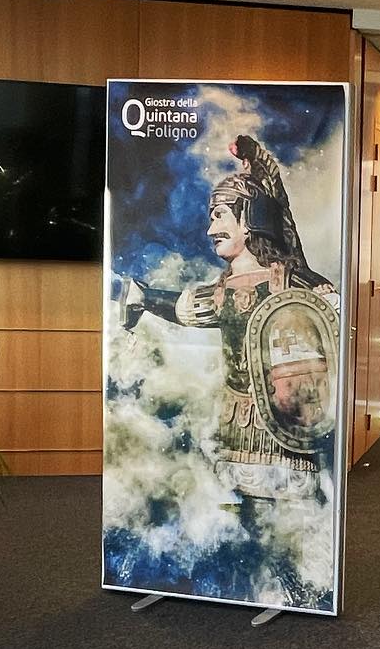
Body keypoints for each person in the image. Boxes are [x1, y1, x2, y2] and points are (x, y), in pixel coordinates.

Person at [119, 134, 339, 514]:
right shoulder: (224, 291)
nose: (210, 230)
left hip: (287, 434)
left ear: (250, 219)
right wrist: (144, 297)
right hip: (240, 430)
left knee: (293, 521)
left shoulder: (291, 283)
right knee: (255, 521)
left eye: (219, 216)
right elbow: (188, 309)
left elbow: (325, 317)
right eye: (211, 218)